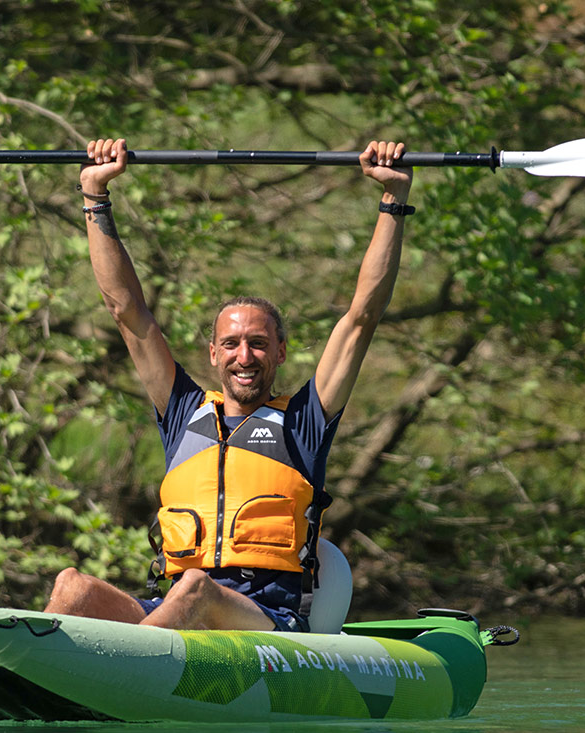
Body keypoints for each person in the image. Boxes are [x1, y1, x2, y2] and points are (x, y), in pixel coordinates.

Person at [44, 137, 413, 631]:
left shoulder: (303, 421)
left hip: (267, 615)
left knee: (196, 587)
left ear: (280, 352)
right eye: (232, 343)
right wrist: (95, 194)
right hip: (177, 607)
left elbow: (362, 317)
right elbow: (125, 310)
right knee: (73, 585)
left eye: (259, 344)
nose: (245, 356)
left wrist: (392, 201)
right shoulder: (183, 414)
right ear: (213, 354)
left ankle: (125, 676)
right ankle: (21, 667)